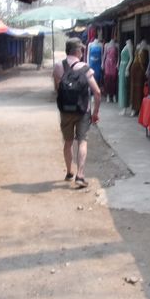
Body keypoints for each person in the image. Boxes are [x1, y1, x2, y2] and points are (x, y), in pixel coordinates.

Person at [53, 37, 101, 188]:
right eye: (81, 49)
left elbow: (57, 89)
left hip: (65, 111)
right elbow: (97, 92)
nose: (82, 52)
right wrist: (95, 112)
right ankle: (80, 175)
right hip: (82, 111)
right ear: (78, 50)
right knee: (82, 141)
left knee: (68, 142)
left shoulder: (58, 66)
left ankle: (69, 172)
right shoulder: (85, 68)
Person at [117, 38, 133, 114]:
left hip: (125, 66)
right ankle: (123, 107)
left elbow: (131, 58)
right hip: (122, 67)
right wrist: (120, 70)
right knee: (122, 87)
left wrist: (127, 68)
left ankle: (125, 107)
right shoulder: (126, 46)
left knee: (124, 87)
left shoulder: (129, 46)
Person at [102, 36, 119, 102]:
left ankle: (114, 95)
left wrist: (118, 63)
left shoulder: (117, 45)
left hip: (114, 63)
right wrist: (102, 63)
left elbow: (118, 56)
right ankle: (108, 96)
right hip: (107, 63)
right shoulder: (106, 45)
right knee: (107, 79)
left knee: (114, 79)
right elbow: (104, 54)